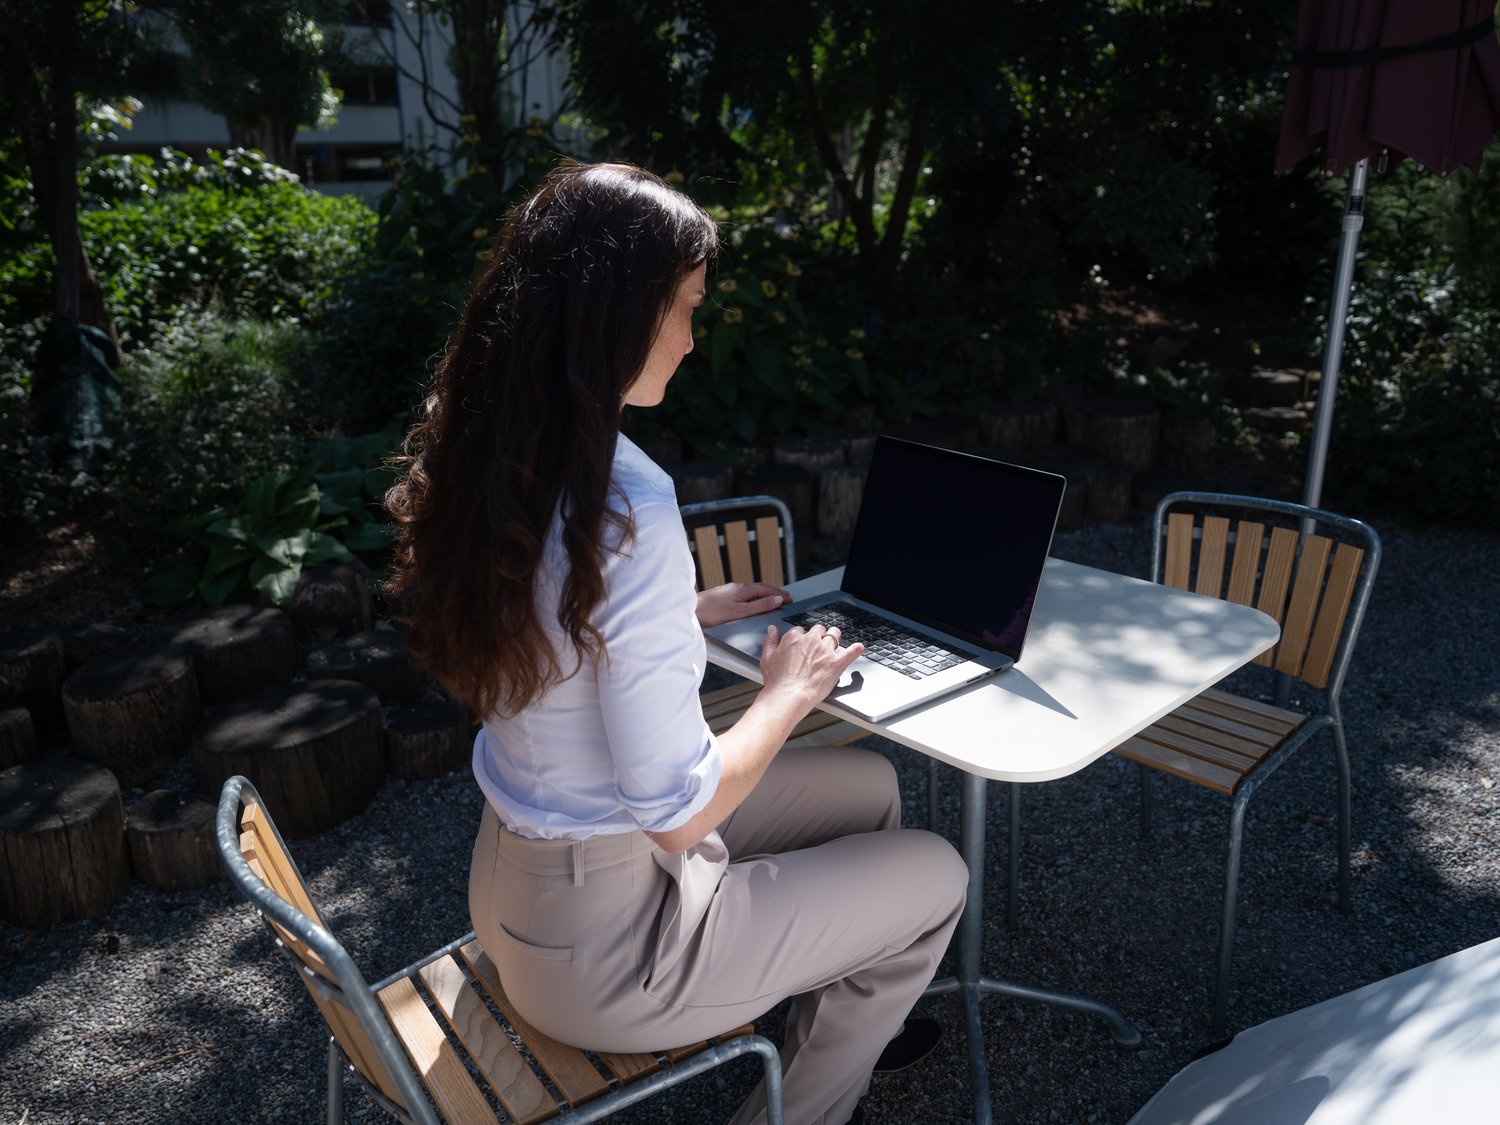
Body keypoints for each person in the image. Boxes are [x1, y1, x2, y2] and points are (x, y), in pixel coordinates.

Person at [385, 161, 967, 1125]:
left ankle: (849, 1012)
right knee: (940, 871)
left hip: (513, 895)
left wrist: (677, 614)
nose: (693, 340)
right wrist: (789, 687)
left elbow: (547, 622)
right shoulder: (629, 502)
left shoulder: (495, 447)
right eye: (686, 307)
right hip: (614, 951)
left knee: (872, 789)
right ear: (615, 313)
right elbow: (676, 810)